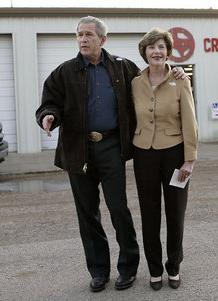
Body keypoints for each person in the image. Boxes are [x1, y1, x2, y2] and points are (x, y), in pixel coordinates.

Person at [35, 16, 185, 293]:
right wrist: (48, 117)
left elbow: (151, 80)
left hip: (111, 147)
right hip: (77, 150)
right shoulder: (64, 72)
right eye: (79, 34)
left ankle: (127, 268)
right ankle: (98, 271)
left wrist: (176, 72)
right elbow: (49, 103)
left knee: (118, 209)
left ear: (103, 40)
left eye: (89, 35)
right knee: (87, 214)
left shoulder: (122, 67)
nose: (83, 39)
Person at [131, 28, 198, 291]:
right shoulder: (135, 82)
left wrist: (189, 159)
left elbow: (190, 121)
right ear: (144, 52)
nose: (156, 52)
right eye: (151, 47)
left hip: (174, 154)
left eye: (161, 47)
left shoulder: (181, 80)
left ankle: (174, 266)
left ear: (168, 52)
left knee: (175, 213)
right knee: (149, 214)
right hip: (143, 154)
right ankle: (154, 269)